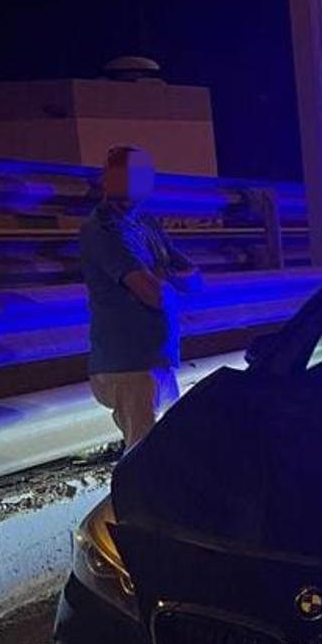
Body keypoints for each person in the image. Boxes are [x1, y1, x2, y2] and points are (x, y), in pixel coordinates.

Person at [80, 145, 200, 449]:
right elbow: (152, 294)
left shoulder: (146, 225)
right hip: (128, 363)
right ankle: (132, 498)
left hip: (158, 356)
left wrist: (164, 281)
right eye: (122, 174)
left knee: (166, 448)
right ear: (107, 179)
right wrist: (168, 282)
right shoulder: (102, 230)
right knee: (143, 454)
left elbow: (193, 277)